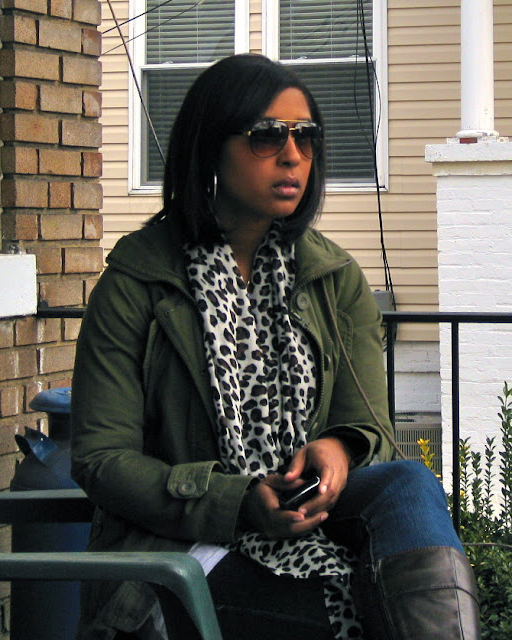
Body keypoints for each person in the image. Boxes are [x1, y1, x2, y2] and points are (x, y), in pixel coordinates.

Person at [70, 54, 480, 640]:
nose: (293, 155)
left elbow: (368, 427)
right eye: (266, 136)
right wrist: (239, 502)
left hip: (309, 521)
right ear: (210, 148)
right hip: (177, 550)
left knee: (409, 483)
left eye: (305, 137)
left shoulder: (333, 279)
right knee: (363, 612)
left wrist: (337, 449)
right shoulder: (138, 283)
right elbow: (102, 460)